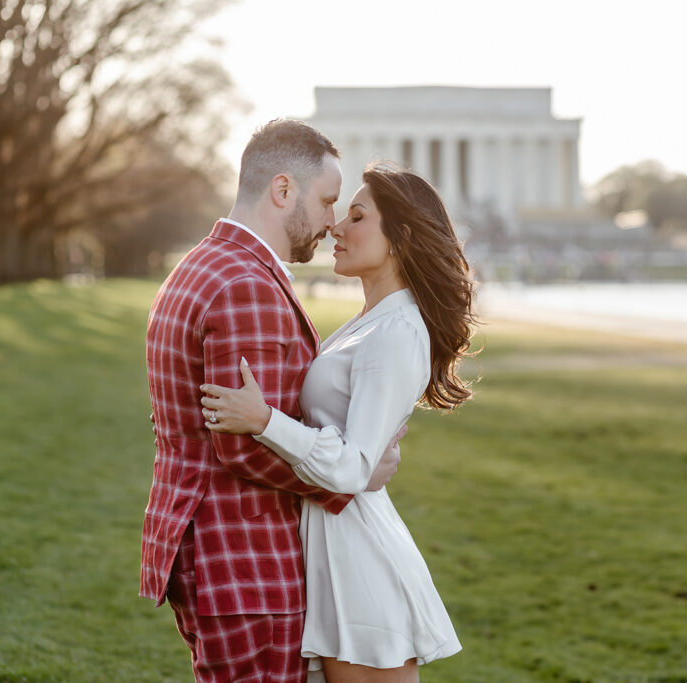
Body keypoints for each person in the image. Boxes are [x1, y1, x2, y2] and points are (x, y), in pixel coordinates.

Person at [142, 119, 403, 683]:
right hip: (243, 555)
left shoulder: (202, 265)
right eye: (328, 201)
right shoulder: (247, 284)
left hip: (211, 549)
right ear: (283, 191)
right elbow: (243, 447)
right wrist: (349, 476)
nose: (333, 220)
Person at [199, 162, 477, 682]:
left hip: (358, 560)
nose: (335, 228)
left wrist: (264, 421)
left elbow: (351, 468)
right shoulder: (371, 322)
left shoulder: (396, 331)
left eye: (356, 217)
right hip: (332, 545)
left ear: (400, 238)